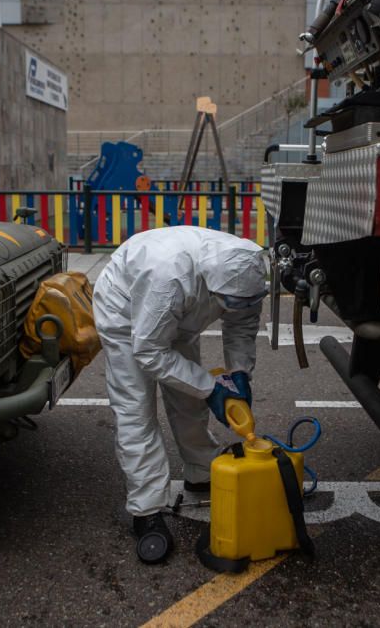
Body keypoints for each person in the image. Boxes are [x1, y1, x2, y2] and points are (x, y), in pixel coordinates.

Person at [92, 226, 267, 562]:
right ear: (211, 285)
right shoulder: (168, 276)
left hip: (178, 315)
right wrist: (212, 386)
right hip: (127, 314)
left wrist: (240, 372)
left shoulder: (246, 272)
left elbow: (242, 324)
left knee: (189, 399)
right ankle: (147, 510)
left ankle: (201, 473)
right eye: (228, 303)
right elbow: (149, 352)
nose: (235, 308)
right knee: (137, 411)